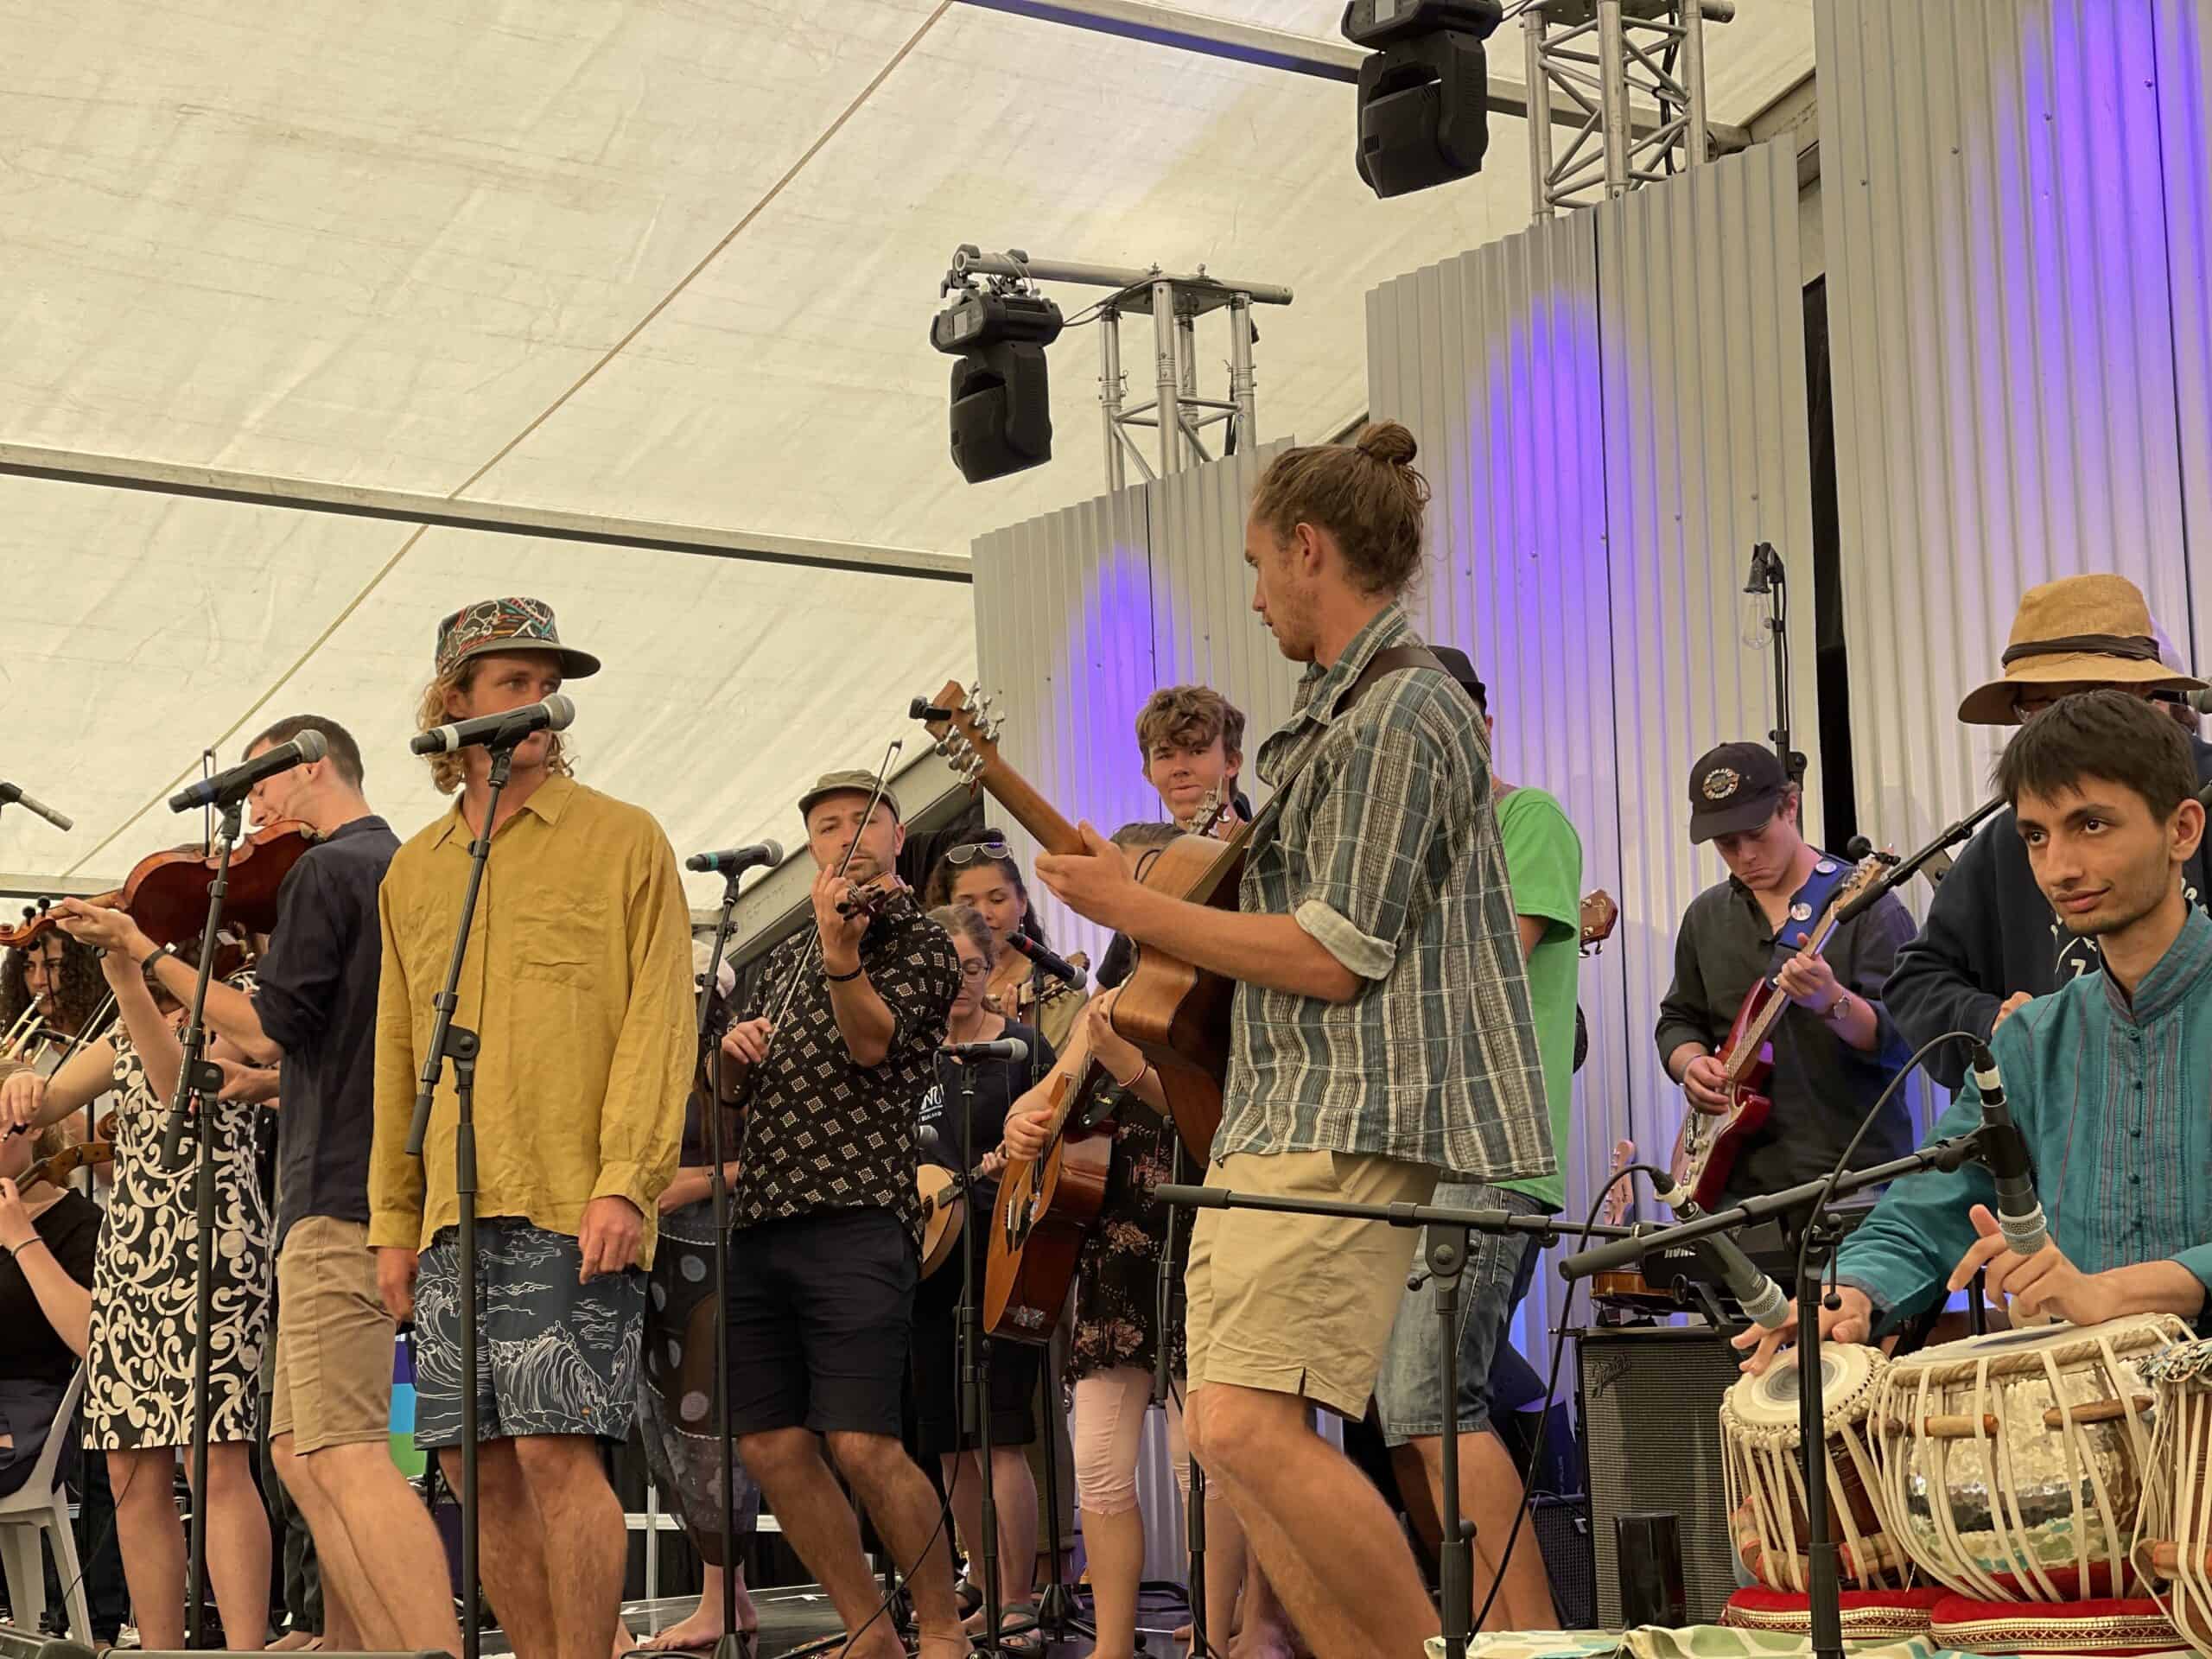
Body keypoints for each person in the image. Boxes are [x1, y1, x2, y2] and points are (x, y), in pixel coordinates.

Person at [1033, 422, 1554, 1659]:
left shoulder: (1403, 710)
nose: (1257, 595)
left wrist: (1134, 904)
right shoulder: (1345, 713)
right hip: (1282, 1114)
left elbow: (1335, 952)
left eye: (1261, 563)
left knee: (1244, 1429)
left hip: (1348, 1112)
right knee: (1227, 1435)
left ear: (1308, 548)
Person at [58, 715, 461, 1656]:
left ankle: (424, 1646)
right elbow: (345, 1042)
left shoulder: (327, 869)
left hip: (335, 1189)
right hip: (384, 1178)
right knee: (300, 1450)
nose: (254, 815)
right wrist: (271, 1085)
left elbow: (267, 1025)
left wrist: (144, 950)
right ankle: (354, 1642)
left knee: (336, 1449)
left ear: (309, 766)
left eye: (262, 788)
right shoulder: (406, 866)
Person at [371, 597, 692, 1659]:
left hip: (571, 1198)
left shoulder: (623, 837)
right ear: (452, 705)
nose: (542, 704)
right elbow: (397, 1049)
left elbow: (659, 1022)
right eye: (515, 683)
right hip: (451, 1210)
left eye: (549, 686)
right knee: (469, 1464)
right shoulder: (415, 869)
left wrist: (626, 1181)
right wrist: (393, 1222)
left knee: (556, 1446)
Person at [1737, 689, 2212, 1375]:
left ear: (2183, 831)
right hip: (2087, 1413)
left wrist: (2115, 1291)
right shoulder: (2032, 1040)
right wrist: (1853, 1294)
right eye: (2036, 836)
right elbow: (1926, 1207)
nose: (2059, 868)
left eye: (2092, 825)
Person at [714, 770, 965, 1659]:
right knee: (769, 1444)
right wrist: (732, 1057)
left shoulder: (922, 941)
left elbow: (872, 1044)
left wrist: (840, 953)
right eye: (829, 825)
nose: (850, 836)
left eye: (867, 820)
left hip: (858, 1214)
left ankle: (943, 1627)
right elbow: (732, 1101)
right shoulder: (785, 952)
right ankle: (866, 1629)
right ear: (811, 847)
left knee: (862, 1441)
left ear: (898, 837)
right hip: (763, 1219)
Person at [1376, 651, 1580, 1632]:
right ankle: (1466, 1631)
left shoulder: (1526, 819)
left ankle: (1532, 1641)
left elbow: (1484, 966)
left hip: (1492, 1158)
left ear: (1481, 729)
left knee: (1431, 1401)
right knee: (1404, 1411)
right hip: (1410, 1163)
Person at [3, 936, 273, 1651]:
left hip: (212, 1234)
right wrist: (22, 1085)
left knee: (213, 1451)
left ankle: (245, 1648)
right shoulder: (131, 1018)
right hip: (131, 1245)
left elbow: (172, 1088)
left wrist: (127, 973)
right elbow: (51, 1102)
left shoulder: (238, 1005)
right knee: (129, 1462)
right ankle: (160, 1648)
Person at [1007, 822, 1209, 1659]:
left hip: (1195, 1238)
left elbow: (1209, 1119)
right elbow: (1052, 1095)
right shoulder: (1110, 993)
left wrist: (1125, 1061)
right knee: (1096, 1462)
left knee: (1198, 1465)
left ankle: (1223, 1629)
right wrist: (1025, 1121)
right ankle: (1113, 1645)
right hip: (1111, 1252)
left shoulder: (1213, 986)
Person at [1885, 575, 2212, 1088]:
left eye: (2082, 697)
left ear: (2140, 691)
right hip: (2065, 1120)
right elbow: (1918, 979)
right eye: (2038, 708)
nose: (2060, 866)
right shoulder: (2009, 837)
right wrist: (1991, 1023)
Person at [1655, 742, 1917, 1212]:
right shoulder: (1706, 916)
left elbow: (1906, 1038)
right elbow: (1678, 1019)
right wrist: (1690, 1065)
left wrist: (1832, 1001)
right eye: (1726, 844)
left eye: (1756, 834)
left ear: (1790, 806)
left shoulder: (1867, 908)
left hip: (1851, 1184)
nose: (1744, 856)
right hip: (1733, 1190)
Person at [912, 902, 1052, 1649]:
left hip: (1003, 1254)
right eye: (945, 969)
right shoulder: (910, 1056)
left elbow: (1065, 1137)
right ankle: (982, 1582)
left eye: (970, 966)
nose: (959, 982)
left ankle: (1018, 1597)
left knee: (998, 1432)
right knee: (948, 1437)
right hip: (929, 1262)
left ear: (989, 967)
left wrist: (1017, 1160)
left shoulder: (1023, 1049)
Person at [628, 988, 762, 1657]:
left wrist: (691, 1183)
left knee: (711, 1429)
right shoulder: (642, 1060)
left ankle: (722, 1600)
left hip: (717, 1256)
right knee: (661, 1431)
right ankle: (726, 1596)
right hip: (652, 1262)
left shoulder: (733, 1059)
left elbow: (776, 1158)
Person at [1096, 687, 1252, 995]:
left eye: (1196, 751)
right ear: (1147, 771)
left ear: (1232, 763)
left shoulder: (1267, 852)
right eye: (1165, 755)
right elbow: (1105, 988)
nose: (1180, 768)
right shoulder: (1152, 869)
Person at [0, 1061, 97, 1491]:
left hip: (29, 1413)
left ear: (34, 1127)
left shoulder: (80, 1223)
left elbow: (94, 1340)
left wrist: (22, 1238)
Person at [923, 838, 1085, 1053]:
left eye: (997, 900)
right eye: (967, 905)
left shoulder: (1059, 987)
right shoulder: (929, 987)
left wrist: (1017, 1046)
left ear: (1022, 902)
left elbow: (1061, 1072)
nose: (983, 914)